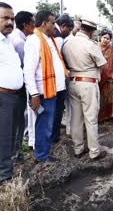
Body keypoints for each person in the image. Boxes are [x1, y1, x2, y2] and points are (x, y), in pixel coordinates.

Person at [24, 10, 68, 163]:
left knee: (49, 123)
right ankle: (41, 156)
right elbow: (28, 71)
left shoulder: (50, 39)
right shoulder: (34, 41)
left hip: (56, 89)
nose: (55, 25)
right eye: (52, 22)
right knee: (45, 124)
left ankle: (44, 151)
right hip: (44, 92)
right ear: (44, 24)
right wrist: (34, 94)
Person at [62, 19, 107, 160]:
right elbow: (103, 65)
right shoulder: (90, 45)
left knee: (76, 118)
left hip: (73, 83)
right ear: (91, 31)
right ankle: (94, 152)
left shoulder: (67, 43)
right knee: (91, 118)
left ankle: (78, 149)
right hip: (88, 84)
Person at [0, 2, 24, 186]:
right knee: (2, 139)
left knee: (8, 138)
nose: (10, 22)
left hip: (13, 96)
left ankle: (1, 171)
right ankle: (4, 180)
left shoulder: (6, 40)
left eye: (12, 18)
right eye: (5, 18)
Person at [10, 10, 35, 159]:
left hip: (14, 87)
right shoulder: (19, 42)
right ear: (26, 25)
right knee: (18, 121)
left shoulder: (17, 37)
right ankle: (16, 154)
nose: (35, 25)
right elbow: (26, 66)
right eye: (33, 23)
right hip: (17, 88)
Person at [50, 13, 74, 143]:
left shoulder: (52, 34)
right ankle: (54, 136)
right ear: (63, 26)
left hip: (51, 78)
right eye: (69, 30)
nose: (69, 33)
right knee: (58, 108)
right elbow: (59, 59)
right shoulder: (58, 38)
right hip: (58, 79)